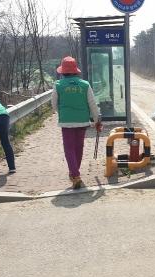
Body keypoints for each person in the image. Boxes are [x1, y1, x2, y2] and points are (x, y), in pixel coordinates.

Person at [51, 56, 102, 189]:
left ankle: (75, 174)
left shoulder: (58, 85)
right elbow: (92, 104)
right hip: (82, 121)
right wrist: (97, 120)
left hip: (66, 122)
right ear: (75, 71)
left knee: (69, 148)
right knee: (79, 147)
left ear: (62, 72)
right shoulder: (85, 85)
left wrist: (62, 112)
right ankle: (75, 174)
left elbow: (53, 105)